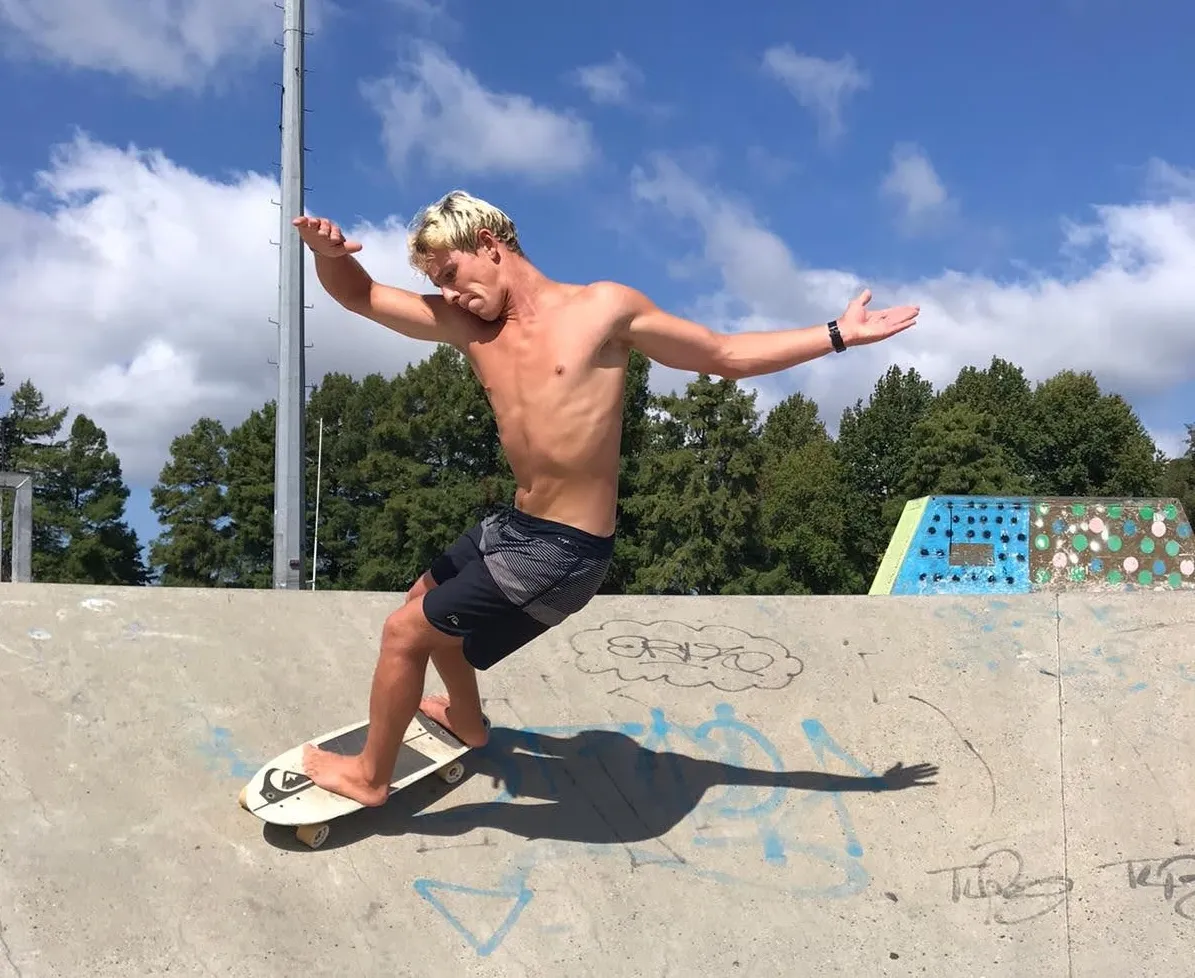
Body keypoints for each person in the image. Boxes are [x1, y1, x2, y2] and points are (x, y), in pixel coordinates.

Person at [293, 190, 919, 807]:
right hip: (513, 525)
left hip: (565, 549)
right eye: (440, 284)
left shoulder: (602, 311)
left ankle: (369, 778)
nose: (451, 295)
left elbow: (724, 354)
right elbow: (360, 294)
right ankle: (467, 719)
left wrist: (839, 333)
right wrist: (328, 254)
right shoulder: (469, 327)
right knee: (422, 603)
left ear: (489, 245)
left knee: (405, 635)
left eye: (452, 275)